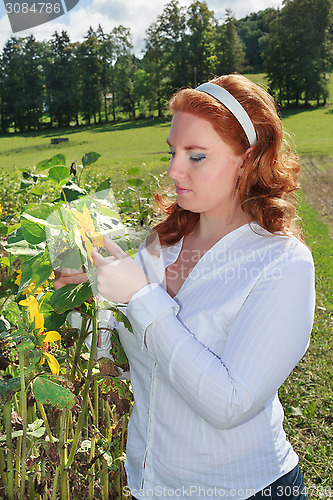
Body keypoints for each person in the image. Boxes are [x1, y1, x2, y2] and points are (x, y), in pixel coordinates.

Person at [54, 74, 315, 499]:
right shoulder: (161, 245)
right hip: (151, 486)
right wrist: (87, 300)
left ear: (248, 161)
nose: (174, 170)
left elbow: (229, 403)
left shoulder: (281, 263)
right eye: (174, 152)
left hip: (244, 490)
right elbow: (128, 361)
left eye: (196, 156)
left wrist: (139, 296)